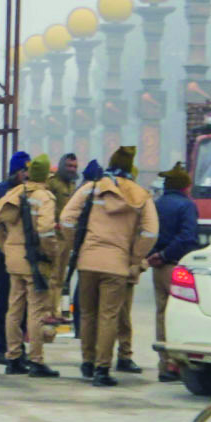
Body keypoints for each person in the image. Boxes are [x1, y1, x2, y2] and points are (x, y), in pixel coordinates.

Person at [64, 144, 155, 385]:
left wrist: (77, 245)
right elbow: (151, 233)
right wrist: (135, 257)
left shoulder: (91, 189)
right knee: (109, 317)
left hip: (88, 261)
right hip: (117, 264)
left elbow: (66, 219)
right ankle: (102, 370)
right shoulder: (140, 195)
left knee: (88, 313)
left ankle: (87, 362)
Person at [0, 153, 68, 378]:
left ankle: (13, 357)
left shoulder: (15, 192)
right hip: (36, 263)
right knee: (36, 311)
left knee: (14, 309)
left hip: (14, 261)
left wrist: (6, 247)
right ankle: (36, 360)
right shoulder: (45, 197)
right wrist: (51, 253)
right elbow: (46, 230)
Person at [147, 163, 203, 381]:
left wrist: (154, 255)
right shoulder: (187, 206)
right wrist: (166, 254)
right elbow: (188, 237)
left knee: (162, 315)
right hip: (177, 267)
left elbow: (149, 232)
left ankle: (164, 365)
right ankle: (176, 365)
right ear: (184, 187)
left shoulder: (156, 204)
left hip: (157, 267)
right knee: (180, 314)